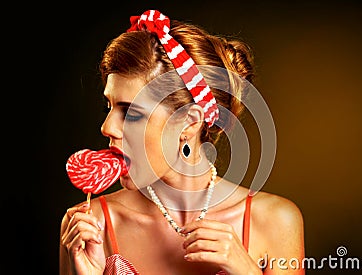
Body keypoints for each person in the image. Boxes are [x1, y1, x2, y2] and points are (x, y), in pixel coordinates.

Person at [59, 9, 305, 275]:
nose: (107, 127)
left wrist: (247, 270)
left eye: (131, 112)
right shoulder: (89, 227)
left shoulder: (276, 221)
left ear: (189, 122)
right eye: (109, 106)